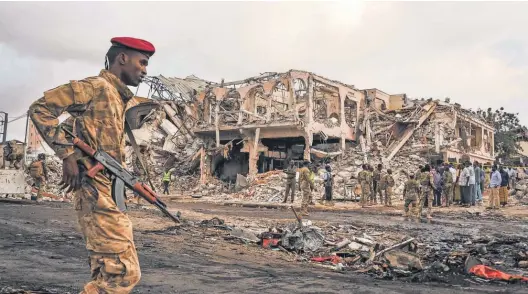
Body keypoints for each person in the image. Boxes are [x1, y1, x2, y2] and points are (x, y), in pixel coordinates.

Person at [28, 37, 156, 293]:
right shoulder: (95, 87)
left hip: (106, 188)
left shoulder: (119, 98)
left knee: (107, 270)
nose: (145, 70)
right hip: (94, 188)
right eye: (141, 63)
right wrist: (67, 155)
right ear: (122, 58)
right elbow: (40, 108)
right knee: (123, 273)